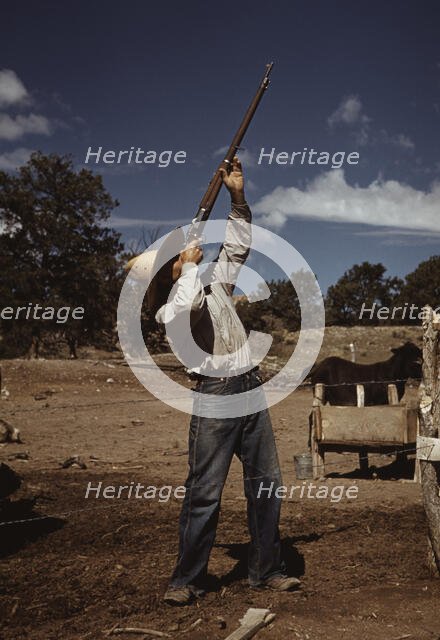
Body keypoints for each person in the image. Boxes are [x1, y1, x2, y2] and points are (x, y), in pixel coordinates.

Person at [129, 158, 300, 605]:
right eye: (177, 263)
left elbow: (238, 248)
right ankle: (186, 580)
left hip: (250, 387)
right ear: (168, 277)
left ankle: (267, 571)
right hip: (216, 395)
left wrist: (237, 196)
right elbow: (185, 306)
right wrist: (185, 267)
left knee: (266, 484)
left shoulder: (213, 285)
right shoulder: (172, 310)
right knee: (204, 492)